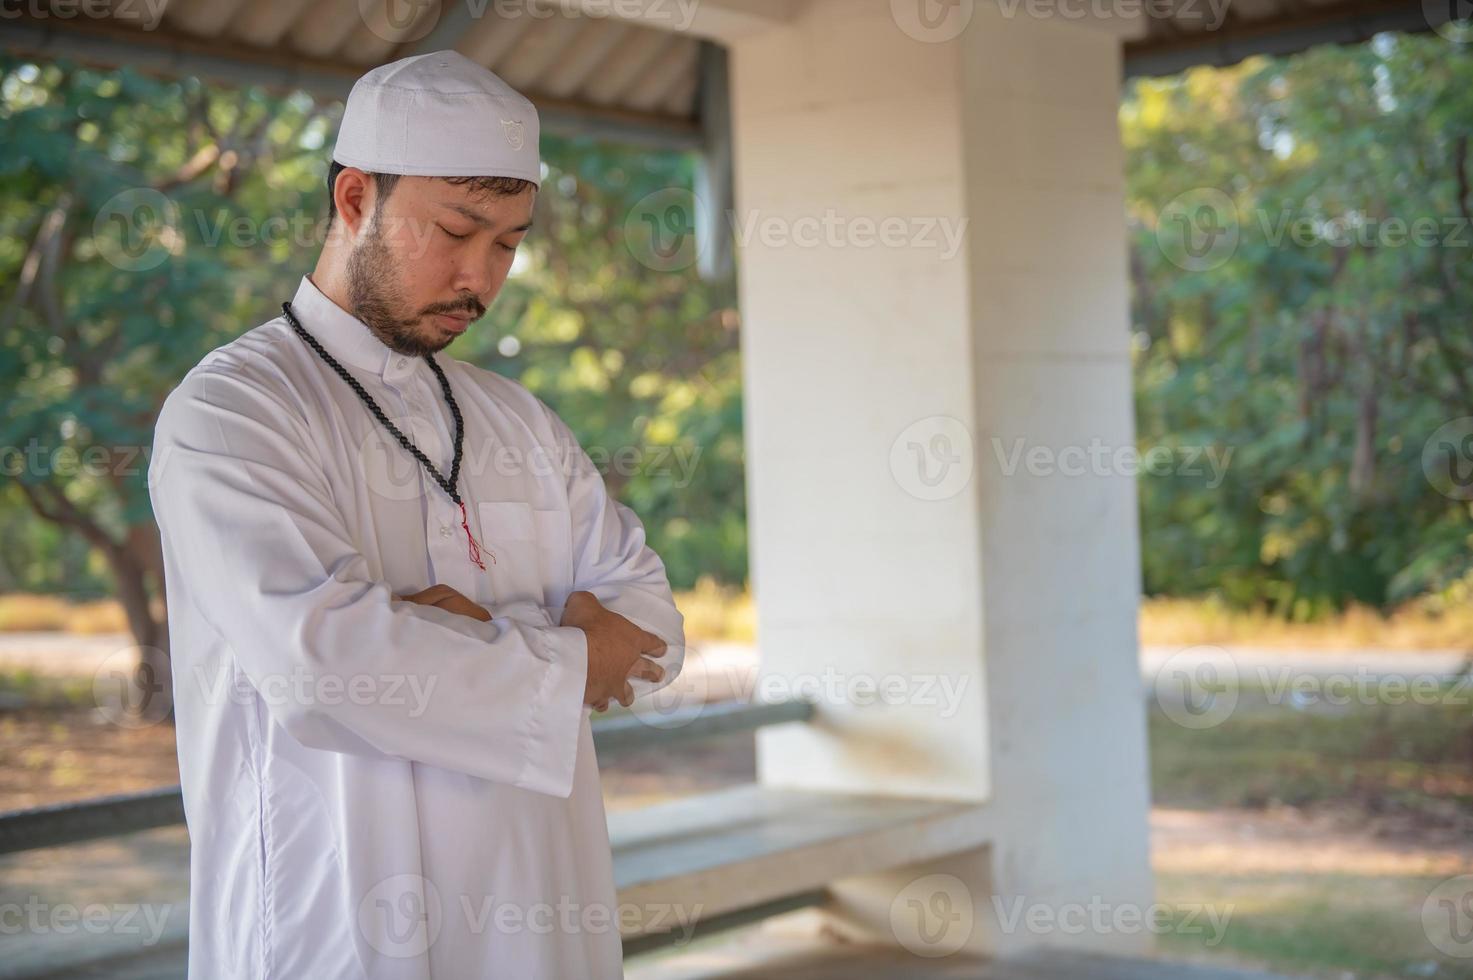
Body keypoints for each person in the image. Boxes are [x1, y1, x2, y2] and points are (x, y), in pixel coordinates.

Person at [147, 49, 685, 979]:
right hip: (334, 924)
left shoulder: (517, 419)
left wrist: (451, 640)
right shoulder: (234, 411)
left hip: (538, 918)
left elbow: (650, 629)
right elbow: (326, 665)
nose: (481, 276)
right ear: (355, 199)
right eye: (457, 229)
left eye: (508, 243)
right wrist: (560, 651)